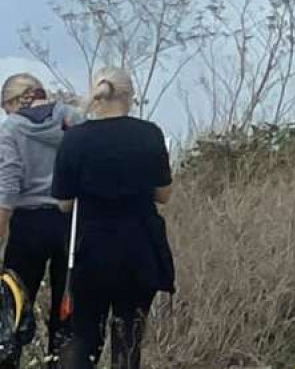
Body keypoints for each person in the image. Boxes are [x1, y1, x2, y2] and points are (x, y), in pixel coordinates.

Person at [52, 67, 174, 369]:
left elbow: (65, 203)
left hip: (90, 250)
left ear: (97, 95)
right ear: (131, 96)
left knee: (83, 337)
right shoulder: (149, 134)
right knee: (128, 337)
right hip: (139, 248)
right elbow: (163, 195)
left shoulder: (75, 139)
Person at [0, 73, 81, 368]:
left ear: (11, 102)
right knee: (67, 310)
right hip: (70, 222)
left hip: (27, 225)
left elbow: (7, 187)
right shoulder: (73, 119)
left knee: (13, 305)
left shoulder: (11, 129)